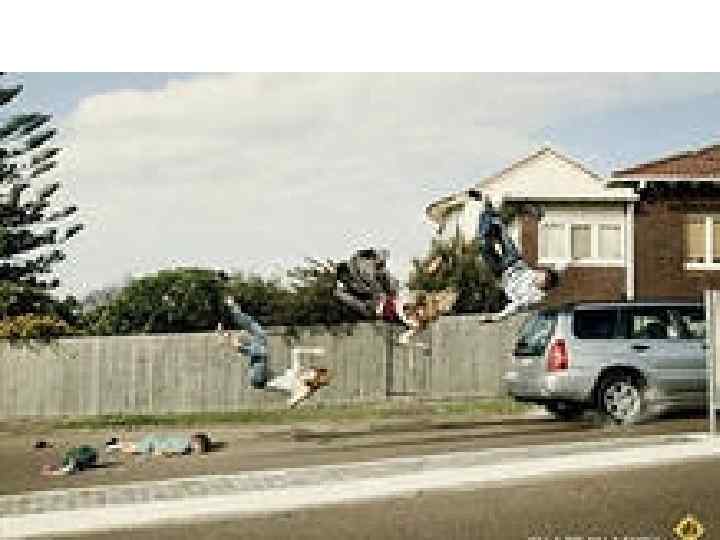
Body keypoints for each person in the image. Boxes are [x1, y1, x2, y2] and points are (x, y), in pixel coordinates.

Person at [218, 296, 330, 406]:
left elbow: (290, 403)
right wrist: (314, 351)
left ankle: (231, 342)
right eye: (311, 370)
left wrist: (303, 397)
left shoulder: (303, 389)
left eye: (310, 373)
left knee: (261, 352)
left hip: (260, 380)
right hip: (263, 371)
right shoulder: (298, 371)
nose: (307, 371)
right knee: (260, 334)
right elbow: (296, 351)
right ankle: (234, 309)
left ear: (312, 380)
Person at [467, 189, 559, 322]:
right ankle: (489, 209)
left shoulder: (533, 297)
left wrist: (497, 318)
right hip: (514, 260)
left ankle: (486, 208)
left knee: (483, 244)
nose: (537, 275)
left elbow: (514, 307)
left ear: (545, 284)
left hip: (501, 272)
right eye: (540, 273)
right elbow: (560, 268)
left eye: (541, 278)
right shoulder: (535, 274)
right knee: (501, 231)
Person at [105, 432, 211, 456]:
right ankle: (114, 446)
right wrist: (160, 452)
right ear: (195, 442)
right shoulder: (184, 446)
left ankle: (117, 443)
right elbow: (169, 450)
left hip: (154, 440)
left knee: (136, 446)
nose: (197, 449)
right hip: (155, 443)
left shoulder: (185, 441)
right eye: (199, 447)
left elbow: (170, 444)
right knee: (134, 449)